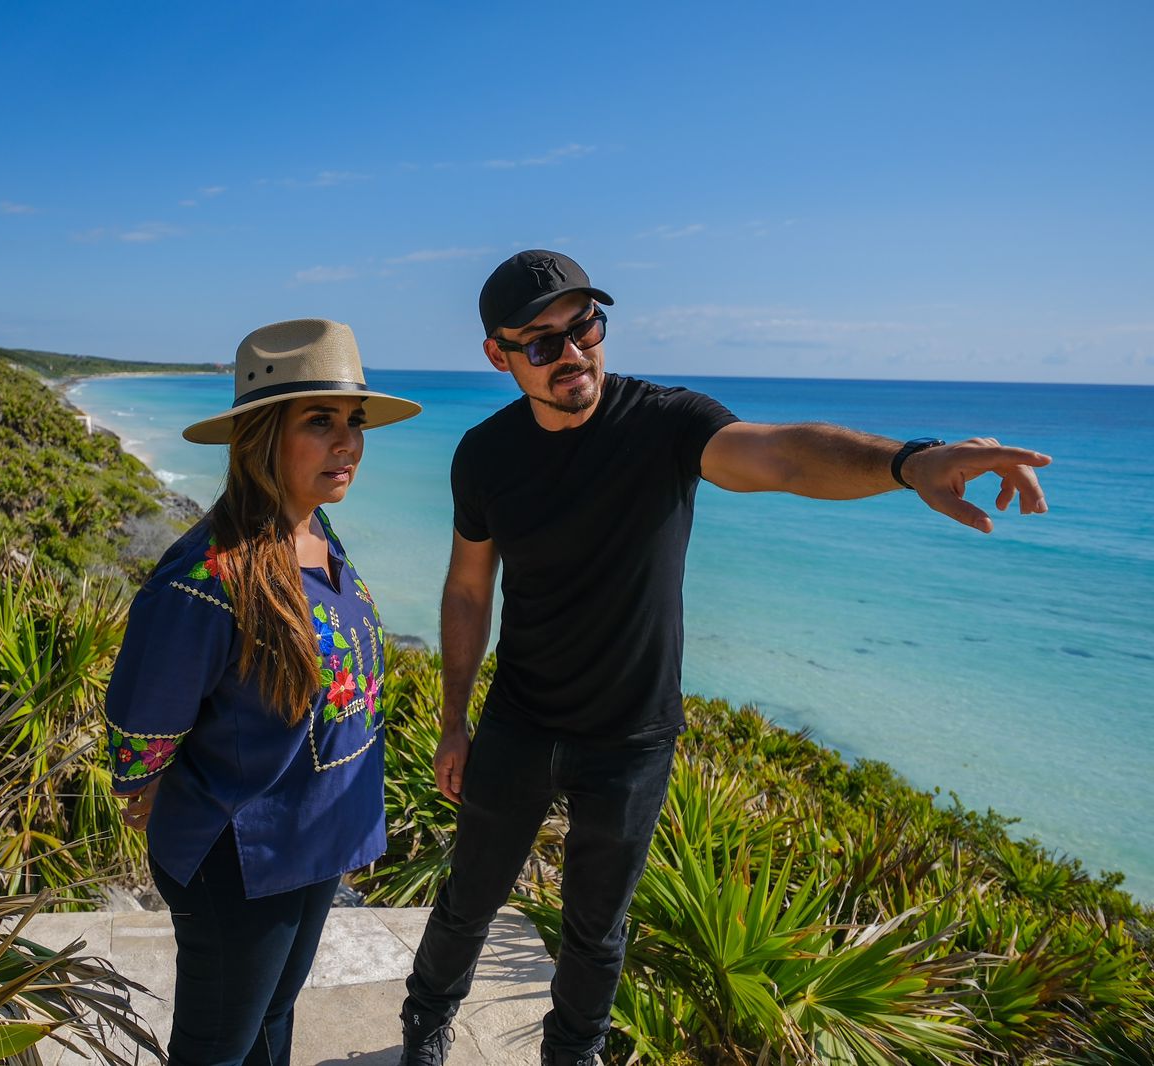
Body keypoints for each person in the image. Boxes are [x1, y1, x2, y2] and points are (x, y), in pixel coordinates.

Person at [397, 250, 1051, 1066]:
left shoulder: (665, 424)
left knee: (597, 931)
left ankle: (571, 1055)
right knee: (470, 900)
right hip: (520, 722)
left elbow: (781, 454)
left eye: (586, 326)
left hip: (631, 739)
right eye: (543, 343)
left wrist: (907, 463)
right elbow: (467, 588)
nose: (573, 354)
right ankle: (425, 1022)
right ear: (499, 355)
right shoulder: (484, 454)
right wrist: (455, 721)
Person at [106, 318, 421, 1066]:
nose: (347, 443)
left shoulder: (318, 534)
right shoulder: (208, 579)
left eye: (354, 422)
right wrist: (145, 787)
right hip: (242, 858)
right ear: (260, 437)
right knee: (217, 1045)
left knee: (272, 1018)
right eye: (320, 423)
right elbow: (143, 716)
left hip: (313, 837)